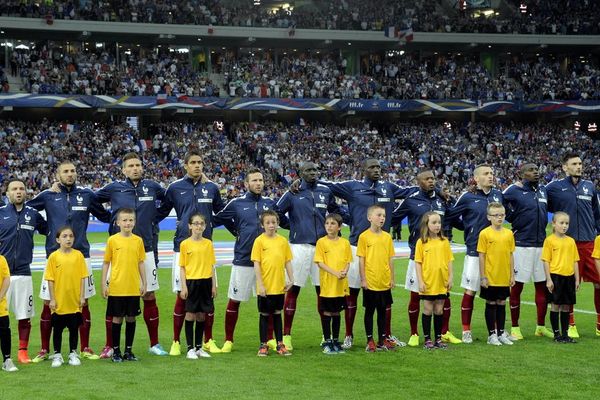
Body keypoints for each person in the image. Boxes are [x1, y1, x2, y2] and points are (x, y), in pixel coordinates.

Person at [315, 158, 416, 349]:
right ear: (364, 169)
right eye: (372, 167)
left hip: (380, 249)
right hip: (355, 248)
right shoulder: (352, 187)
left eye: (379, 167)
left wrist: (437, 193)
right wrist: (303, 184)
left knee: (383, 296)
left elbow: (411, 190)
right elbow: (328, 185)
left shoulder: (389, 187)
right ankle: (348, 335)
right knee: (352, 294)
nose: (376, 170)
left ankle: (386, 335)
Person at [30, 161, 111, 362]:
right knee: (48, 302)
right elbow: (27, 210)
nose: (69, 174)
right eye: (65, 171)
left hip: (81, 255)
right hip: (54, 256)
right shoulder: (48, 195)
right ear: (57, 174)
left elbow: (105, 215)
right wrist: (46, 229)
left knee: (83, 302)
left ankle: (84, 347)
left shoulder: (86, 195)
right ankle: (44, 349)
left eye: (73, 171)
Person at [96, 152, 167, 357]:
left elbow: (169, 201)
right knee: (114, 298)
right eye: (131, 166)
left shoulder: (152, 187)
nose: (135, 168)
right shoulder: (114, 188)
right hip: (119, 253)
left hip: (146, 248)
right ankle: (110, 345)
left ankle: (154, 343)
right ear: (124, 170)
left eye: (138, 165)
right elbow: (92, 200)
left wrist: (155, 219)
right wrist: (109, 219)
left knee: (149, 294)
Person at [156, 150, 225, 356]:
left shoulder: (212, 187)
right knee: (183, 296)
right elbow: (161, 211)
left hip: (205, 246)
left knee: (206, 299)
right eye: (193, 162)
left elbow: (221, 212)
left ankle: (207, 341)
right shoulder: (175, 188)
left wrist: (230, 227)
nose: (197, 165)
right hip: (182, 246)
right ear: (185, 165)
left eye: (200, 162)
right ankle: (178, 341)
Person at [276, 161, 346, 350]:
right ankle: (287, 336)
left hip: (323, 247)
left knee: (322, 292)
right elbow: (277, 211)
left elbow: (336, 211)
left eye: (315, 169)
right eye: (308, 170)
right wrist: (292, 226)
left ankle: (326, 336)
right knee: (293, 290)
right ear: (300, 173)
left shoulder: (325, 191)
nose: (313, 173)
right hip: (299, 247)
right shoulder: (293, 192)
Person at [212, 168, 282, 353]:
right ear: (246, 184)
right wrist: (237, 231)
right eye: (254, 180)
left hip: (267, 263)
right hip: (243, 259)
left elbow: (283, 220)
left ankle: (270, 339)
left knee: (269, 302)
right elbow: (218, 219)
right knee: (235, 300)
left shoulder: (270, 203)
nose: (258, 183)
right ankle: (228, 340)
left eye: (261, 180)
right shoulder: (237, 203)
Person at [392, 169, 461, 347]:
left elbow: (454, 219)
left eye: (433, 178)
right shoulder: (411, 199)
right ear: (419, 181)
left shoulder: (441, 200)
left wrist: (451, 200)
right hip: (418, 256)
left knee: (443, 298)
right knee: (416, 296)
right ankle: (415, 333)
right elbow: (393, 218)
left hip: (439, 256)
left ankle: (443, 332)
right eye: (427, 179)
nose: (431, 181)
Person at [446, 164, 503, 344]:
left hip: (496, 253)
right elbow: (451, 215)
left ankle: (496, 332)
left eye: (492, 173)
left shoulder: (498, 195)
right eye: (486, 174)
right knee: (470, 290)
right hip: (474, 251)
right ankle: (466, 330)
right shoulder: (467, 197)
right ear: (476, 178)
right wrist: (466, 227)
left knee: (495, 293)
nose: (490, 176)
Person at [546, 152, 600, 338]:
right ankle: (570, 325)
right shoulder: (553, 188)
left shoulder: (589, 186)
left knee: (599, 283)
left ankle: (599, 325)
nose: (578, 166)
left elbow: (596, 213)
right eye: (574, 163)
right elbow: (539, 206)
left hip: (589, 243)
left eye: (580, 163)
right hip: (566, 244)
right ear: (564, 167)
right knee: (567, 284)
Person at [503, 163, 553, 340]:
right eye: (531, 170)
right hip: (521, 245)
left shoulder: (543, 191)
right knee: (517, 287)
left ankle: (540, 326)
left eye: (537, 169)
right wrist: (512, 216)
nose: (536, 172)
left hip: (541, 244)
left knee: (542, 286)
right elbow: (499, 203)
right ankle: (515, 327)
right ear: (522, 174)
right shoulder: (513, 190)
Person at [0, 179, 48, 363]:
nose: (18, 191)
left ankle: (22, 351)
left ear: (26, 192)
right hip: (2, 274)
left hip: (23, 272)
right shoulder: (1, 213)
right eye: (14, 189)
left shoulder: (33, 215)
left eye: (21, 188)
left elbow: (51, 232)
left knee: (24, 315)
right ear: (8, 193)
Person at [101, 208, 147, 363]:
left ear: (134, 222)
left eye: (131, 220)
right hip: (116, 287)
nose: (128, 223)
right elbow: (106, 263)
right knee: (117, 318)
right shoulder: (112, 240)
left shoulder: (138, 240)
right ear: (118, 222)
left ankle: (128, 350)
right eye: (125, 220)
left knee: (131, 318)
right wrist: (103, 284)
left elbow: (141, 263)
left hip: (133, 286)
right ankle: (116, 351)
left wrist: (144, 282)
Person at [44, 227, 88, 367]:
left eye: (70, 236)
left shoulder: (79, 256)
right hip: (59, 302)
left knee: (74, 328)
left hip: (74, 301)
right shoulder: (53, 257)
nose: (68, 239)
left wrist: (82, 297)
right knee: (57, 329)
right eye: (64, 236)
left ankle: (73, 353)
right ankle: (57, 354)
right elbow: (50, 279)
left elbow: (82, 277)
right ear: (58, 240)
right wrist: (52, 298)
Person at [252, 210, 293, 357]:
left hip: (279, 285)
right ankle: (263, 345)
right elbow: (256, 264)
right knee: (264, 314)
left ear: (278, 224)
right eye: (268, 223)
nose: (271, 225)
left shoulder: (282, 241)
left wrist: (291, 278)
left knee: (277, 314)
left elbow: (287, 261)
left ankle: (279, 344)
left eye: (273, 222)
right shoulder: (259, 241)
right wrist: (260, 284)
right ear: (262, 225)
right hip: (265, 287)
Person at [358, 205, 396, 352]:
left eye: (384, 216)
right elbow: (361, 259)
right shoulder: (364, 237)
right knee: (370, 311)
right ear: (370, 218)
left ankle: (382, 339)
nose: (382, 218)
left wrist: (392, 278)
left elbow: (390, 259)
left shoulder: (387, 237)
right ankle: (370, 340)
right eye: (379, 215)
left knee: (382, 311)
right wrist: (363, 279)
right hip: (371, 281)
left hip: (384, 281)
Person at [178, 213, 216, 359]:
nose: (198, 226)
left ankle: (199, 347)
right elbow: (182, 267)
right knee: (190, 314)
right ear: (190, 226)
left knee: (202, 315)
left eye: (201, 223)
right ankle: (189, 348)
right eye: (195, 223)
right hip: (191, 282)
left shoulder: (208, 243)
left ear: (205, 226)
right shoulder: (185, 244)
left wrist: (214, 285)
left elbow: (211, 266)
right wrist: (184, 286)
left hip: (206, 282)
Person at [478, 203, 516, 346]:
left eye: (502, 215)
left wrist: (512, 275)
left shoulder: (509, 233)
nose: (499, 218)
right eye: (496, 215)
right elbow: (482, 256)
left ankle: (501, 333)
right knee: (491, 303)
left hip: (504, 276)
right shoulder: (485, 234)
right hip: (490, 276)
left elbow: (511, 255)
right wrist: (483, 276)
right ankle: (491, 335)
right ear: (489, 217)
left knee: (501, 303)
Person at [414, 212, 454, 350]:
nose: (437, 225)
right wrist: (420, 281)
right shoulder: (421, 242)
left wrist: (450, 277)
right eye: (434, 223)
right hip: (428, 282)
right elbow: (418, 263)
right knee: (428, 308)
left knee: (439, 309)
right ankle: (427, 339)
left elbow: (449, 261)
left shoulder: (444, 241)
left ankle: (438, 338)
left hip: (441, 281)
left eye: (439, 222)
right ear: (427, 224)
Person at [314, 213, 352, 354]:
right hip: (328, 285)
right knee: (327, 312)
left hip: (340, 285)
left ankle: (336, 341)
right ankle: (327, 341)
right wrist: (335, 273)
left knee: (336, 313)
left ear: (340, 227)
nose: (329, 226)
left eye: (333, 223)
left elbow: (348, 261)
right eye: (327, 223)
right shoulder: (321, 242)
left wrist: (344, 271)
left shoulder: (344, 243)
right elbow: (320, 263)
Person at [544, 212, 580, 343]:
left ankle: (565, 334)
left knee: (566, 306)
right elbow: (546, 261)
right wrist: (548, 279)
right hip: (555, 277)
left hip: (569, 277)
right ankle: (556, 334)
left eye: (567, 223)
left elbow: (575, 261)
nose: (564, 226)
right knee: (555, 305)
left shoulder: (571, 241)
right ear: (554, 223)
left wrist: (577, 279)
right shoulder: (549, 240)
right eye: (561, 223)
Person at [0, 254, 18, 372]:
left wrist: (0, 296)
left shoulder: (1, 260)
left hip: (0, 307)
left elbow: (6, 279)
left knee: (4, 331)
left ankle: (7, 360)